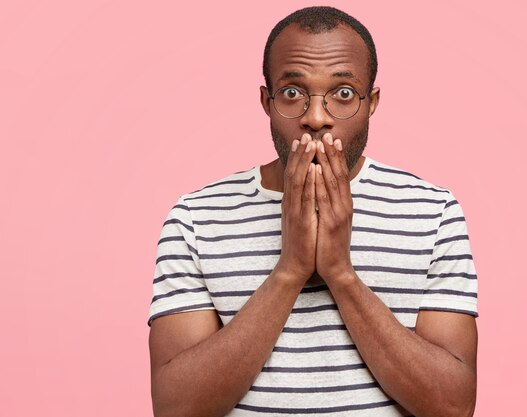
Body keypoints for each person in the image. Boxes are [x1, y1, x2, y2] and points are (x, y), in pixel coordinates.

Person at [147, 6, 478, 417]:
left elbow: (453, 407)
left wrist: (340, 273)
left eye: (342, 93)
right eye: (292, 93)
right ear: (266, 102)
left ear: (371, 102)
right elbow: (176, 409)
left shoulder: (433, 212)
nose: (316, 118)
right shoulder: (196, 218)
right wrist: (291, 269)